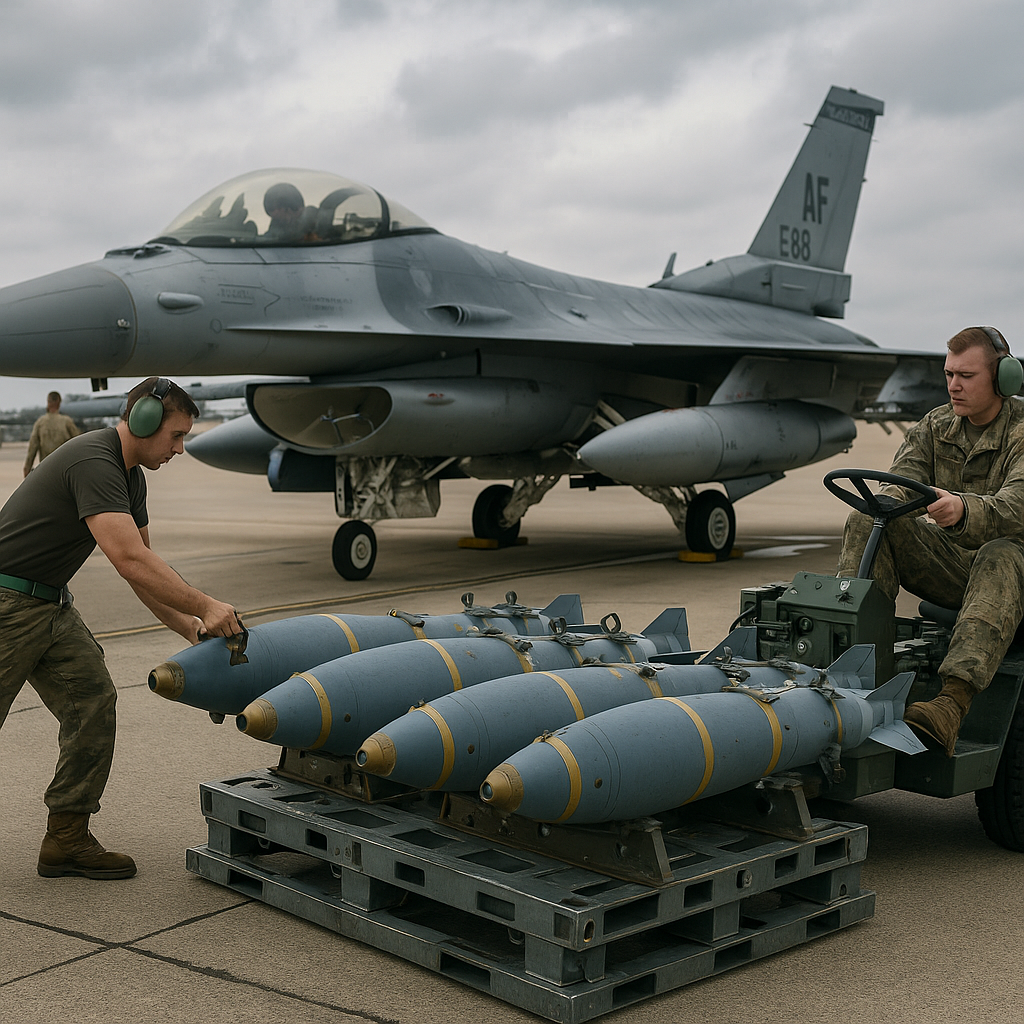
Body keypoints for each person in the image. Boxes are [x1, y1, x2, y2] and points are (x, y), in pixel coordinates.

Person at [0, 377, 244, 880]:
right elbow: (130, 560)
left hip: (48, 605)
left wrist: (193, 628)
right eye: (175, 436)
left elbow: (144, 568)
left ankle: (66, 838)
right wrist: (207, 603)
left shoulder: (132, 478)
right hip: (6, 602)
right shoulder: (96, 461)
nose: (180, 448)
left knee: (92, 701)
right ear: (144, 420)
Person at [837, 326, 1024, 756]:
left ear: (1003, 380)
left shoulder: (1020, 430)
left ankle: (951, 703)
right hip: (956, 567)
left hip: (1011, 571)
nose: (954, 385)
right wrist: (883, 503)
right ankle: (853, 671)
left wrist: (964, 508)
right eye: (949, 374)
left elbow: (1016, 507)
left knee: (1001, 551)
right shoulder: (937, 424)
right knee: (868, 521)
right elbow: (903, 482)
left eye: (966, 376)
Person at [24, 391, 80, 476]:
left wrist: (27, 468)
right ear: (59, 403)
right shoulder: (66, 422)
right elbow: (79, 444)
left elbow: (32, 448)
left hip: (45, 470)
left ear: (48, 402)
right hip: (64, 470)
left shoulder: (40, 423)